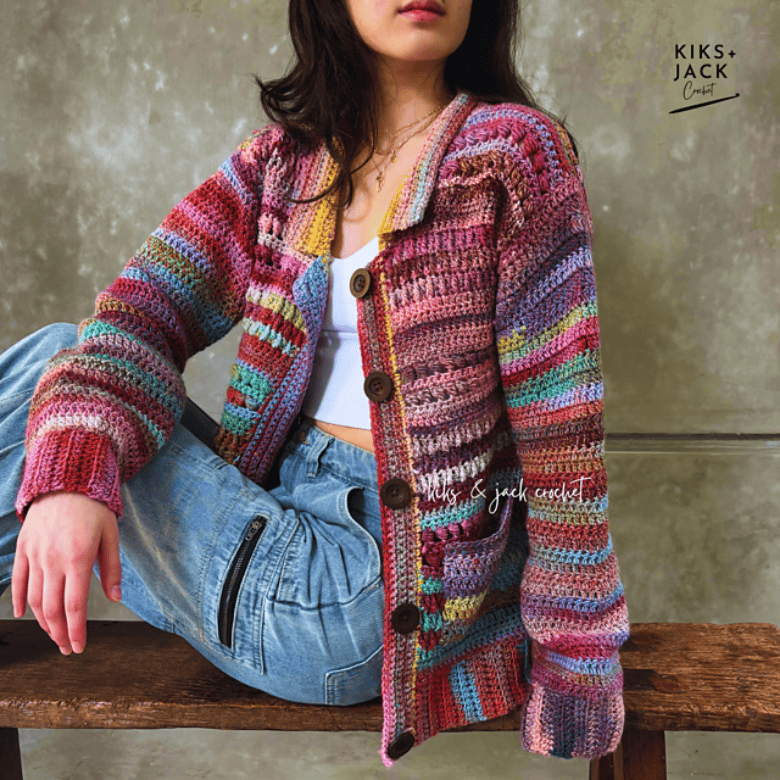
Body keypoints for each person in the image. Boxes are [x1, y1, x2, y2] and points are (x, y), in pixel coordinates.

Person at [0, 0, 630, 767]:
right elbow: (138, 314)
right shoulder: (282, 168)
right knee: (72, 371)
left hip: (361, 602)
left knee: (57, 386)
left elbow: (560, 430)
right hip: (271, 522)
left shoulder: (511, 157)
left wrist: (577, 659)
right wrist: (73, 475)